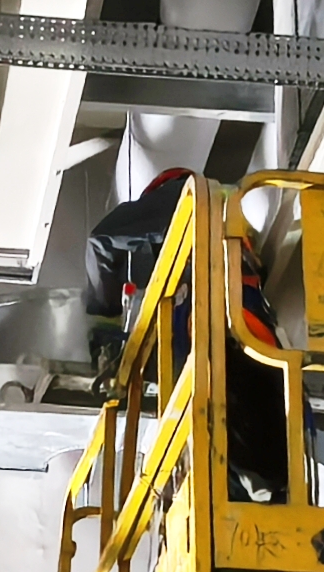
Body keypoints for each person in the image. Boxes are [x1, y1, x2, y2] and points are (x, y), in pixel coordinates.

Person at [82, 168, 290, 502]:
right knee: (249, 452)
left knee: (232, 449)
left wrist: (103, 319)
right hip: (249, 335)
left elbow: (103, 239)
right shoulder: (226, 220)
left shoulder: (182, 198)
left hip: (223, 333)